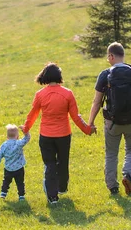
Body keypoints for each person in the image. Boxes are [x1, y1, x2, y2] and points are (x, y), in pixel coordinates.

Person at [21, 63, 93, 204]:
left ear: (45, 76)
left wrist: (26, 128)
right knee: (63, 161)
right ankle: (62, 187)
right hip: (64, 135)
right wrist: (87, 130)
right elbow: (75, 117)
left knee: (50, 164)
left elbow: (33, 114)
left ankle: (52, 197)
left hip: (46, 136)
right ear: (59, 76)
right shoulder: (67, 93)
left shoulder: (40, 94)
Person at [88, 42, 131, 196]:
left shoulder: (105, 75)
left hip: (112, 122)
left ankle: (113, 187)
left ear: (111, 56)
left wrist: (90, 122)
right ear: (123, 55)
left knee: (111, 153)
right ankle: (128, 175)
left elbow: (97, 102)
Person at [0, 124, 31, 201]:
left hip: (8, 169)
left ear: (7, 137)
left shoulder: (4, 145)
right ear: (17, 136)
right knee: (20, 183)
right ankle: (21, 196)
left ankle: (3, 193)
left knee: (6, 181)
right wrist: (25, 131)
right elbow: (27, 139)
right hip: (19, 168)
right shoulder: (18, 143)